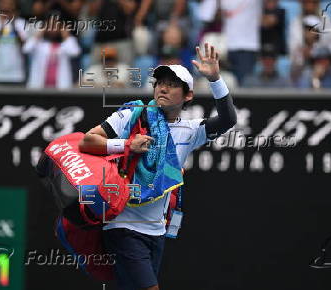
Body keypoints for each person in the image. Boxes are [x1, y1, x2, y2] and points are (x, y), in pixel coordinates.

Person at [78, 43, 237, 290]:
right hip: (122, 226)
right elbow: (88, 141)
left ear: (188, 96)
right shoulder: (131, 115)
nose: (163, 87)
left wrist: (215, 79)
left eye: (173, 84)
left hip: (156, 231)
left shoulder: (191, 130)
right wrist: (127, 145)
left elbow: (228, 119)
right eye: (160, 82)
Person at [23, 13, 81, 89]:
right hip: (39, 87)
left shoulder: (66, 43)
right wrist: (39, 33)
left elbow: (75, 52)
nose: (53, 29)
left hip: (61, 87)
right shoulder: (39, 44)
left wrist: (66, 35)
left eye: (56, 25)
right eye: (49, 25)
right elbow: (26, 49)